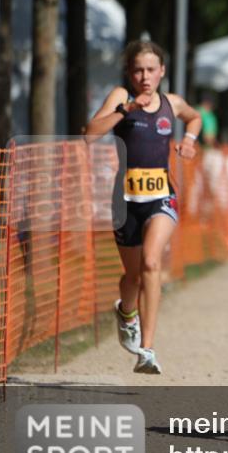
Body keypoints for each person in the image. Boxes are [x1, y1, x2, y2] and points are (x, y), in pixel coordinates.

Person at [84, 40, 201, 374]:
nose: (145, 76)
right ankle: (126, 311)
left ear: (162, 71)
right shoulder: (121, 97)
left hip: (161, 195)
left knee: (152, 262)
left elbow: (194, 118)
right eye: (138, 70)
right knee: (132, 276)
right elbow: (89, 134)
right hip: (124, 200)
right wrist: (125, 111)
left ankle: (147, 349)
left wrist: (190, 141)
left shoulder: (171, 103)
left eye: (151, 70)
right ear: (129, 73)